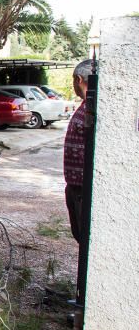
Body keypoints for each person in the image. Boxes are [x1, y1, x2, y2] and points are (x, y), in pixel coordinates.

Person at [64, 59, 95, 247]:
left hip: (84, 188)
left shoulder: (94, 107)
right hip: (76, 186)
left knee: (86, 238)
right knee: (81, 237)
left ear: (79, 79)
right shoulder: (87, 104)